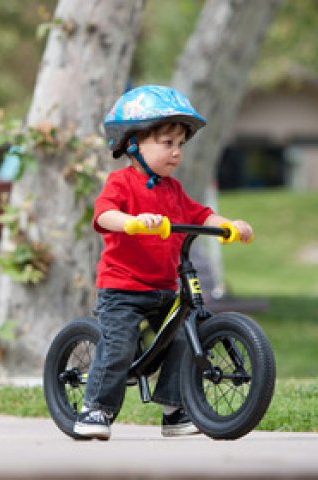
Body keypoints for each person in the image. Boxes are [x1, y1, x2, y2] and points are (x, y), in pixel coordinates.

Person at [74, 85, 253, 440]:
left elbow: (200, 214)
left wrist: (228, 226)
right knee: (119, 345)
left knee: (185, 338)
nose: (175, 152)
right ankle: (95, 409)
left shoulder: (172, 189)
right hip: (122, 288)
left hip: (163, 288)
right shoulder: (121, 182)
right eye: (166, 143)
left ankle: (174, 411)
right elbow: (104, 214)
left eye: (180, 145)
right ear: (133, 144)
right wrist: (132, 222)